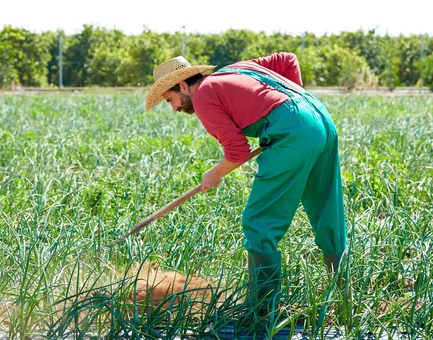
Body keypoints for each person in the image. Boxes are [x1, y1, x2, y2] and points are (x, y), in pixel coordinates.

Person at [145, 52, 346, 311]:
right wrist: (294, 107)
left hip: (294, 134)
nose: (174, 108)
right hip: (320, 119)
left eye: (170, 99)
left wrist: (215, 173)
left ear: (184, 85)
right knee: (328, 215)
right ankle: (344, 302)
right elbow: (288, 59)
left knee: (258, 223)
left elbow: (237, 152)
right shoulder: (236, 69)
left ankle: (262, 310)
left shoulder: (204, 96)